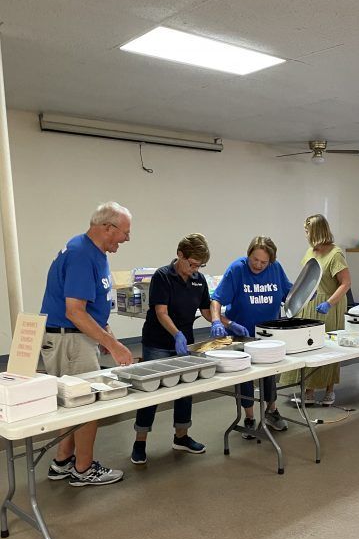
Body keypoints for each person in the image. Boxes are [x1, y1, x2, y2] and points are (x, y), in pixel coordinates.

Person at [41, 201, 133, 487]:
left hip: (77, 337)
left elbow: (92, 306)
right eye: (125, 232)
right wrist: (113, 345)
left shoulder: (94, 252)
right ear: (108, 228)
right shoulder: (81, 254)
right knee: (85, 404)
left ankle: (62, 461)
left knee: (74, 403)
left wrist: (106, 335)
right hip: (70, 340)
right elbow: (75, 311)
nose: (127, 238)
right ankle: (83, 468)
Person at [130, 234, 213, 465]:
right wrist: (176, 334)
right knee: (151, 391)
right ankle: (140, 442)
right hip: (158, 342)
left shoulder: (199, 280)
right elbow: (161, 312)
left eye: (199, 266)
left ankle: (181, 436)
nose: (195, 270)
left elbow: (206, 310)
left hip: (185, 342)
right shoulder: (162, 276)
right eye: (192, 264)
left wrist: (222, 321)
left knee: (185, 389)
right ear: (180, 255)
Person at [209, 236, 292, 436]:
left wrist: (305, 293)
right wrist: (217, 321)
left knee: (269, 374)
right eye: (255, 259)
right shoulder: (237, 269)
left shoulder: (275, 268)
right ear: (248, 254)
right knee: (244, 376)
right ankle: (248, 417)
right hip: (242, 334)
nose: (258, 265)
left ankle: (271, 411)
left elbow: (289, 294)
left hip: (268, 334)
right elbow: (216, 300)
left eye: (264, 262)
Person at [280, 214, 351, 406]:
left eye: (307, 231)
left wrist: (329, 303)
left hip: (329, 305)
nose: (305, 235)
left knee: (328, 348)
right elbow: (305, 278)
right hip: (310, 302)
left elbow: (345, 283)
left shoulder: (335, 254)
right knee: (309, 347)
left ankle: (330, 390)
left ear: (317, 231)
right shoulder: (310, 252)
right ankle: (309, 391)